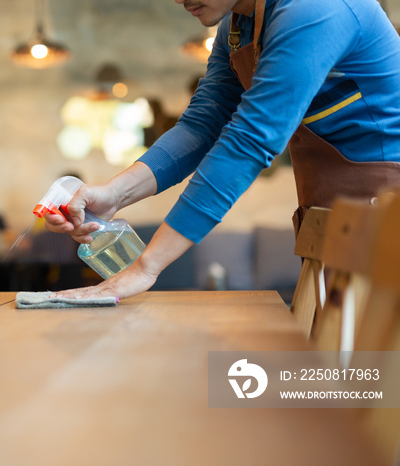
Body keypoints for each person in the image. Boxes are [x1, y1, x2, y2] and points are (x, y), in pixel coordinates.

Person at [45, 0, 400, 300]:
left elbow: (249, 139)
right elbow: (202, 125)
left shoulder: (316, 8)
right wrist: (113, 194)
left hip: (385, 224)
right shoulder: (237, 25)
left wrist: (147, 266)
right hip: (333, 225)